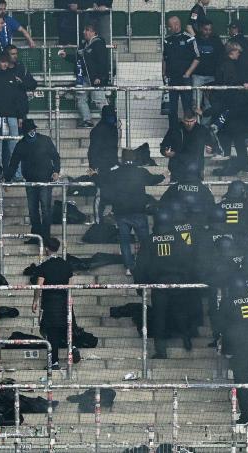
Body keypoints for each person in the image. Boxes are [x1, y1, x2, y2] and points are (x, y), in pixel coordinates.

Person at [134, 208, 196, 358]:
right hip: (178, 282)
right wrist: (187, 279)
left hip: (159, 284)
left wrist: (139, 284)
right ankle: (186, 337)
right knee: (181, 312)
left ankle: (161, 351)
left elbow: (141, 264)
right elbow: (188, 261)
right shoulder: (179, 239)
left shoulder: (149, 240)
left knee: (159, 318)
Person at [97, 148, 165, 274]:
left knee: (125, 241)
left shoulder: (115, 173)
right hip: (138, 211)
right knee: (144, 240)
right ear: (134, 158)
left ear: (122, 159)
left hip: (121, 212)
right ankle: (146, 263)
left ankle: (129, 266)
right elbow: (154, 180)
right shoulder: (140, 172)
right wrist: (164, 175)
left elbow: (103, 182)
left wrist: (93, 175)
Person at [6, 119, 61, 242]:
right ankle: (36, 235)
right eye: (30, 130)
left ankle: (45, 237)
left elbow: (55, 157)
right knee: (33, 210)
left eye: (33, 130)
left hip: (45, 180)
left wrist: (56, 171)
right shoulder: (21, 145)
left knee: (45, 209)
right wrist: (8, 179)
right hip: (30, 181)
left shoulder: (45, 140)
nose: (32, 132)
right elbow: (13, 163)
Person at [221, 275, 248, 424]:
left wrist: (226, 349)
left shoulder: (227, 302)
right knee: (247, 374)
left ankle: (247, 412)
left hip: (238, 345)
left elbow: (224, 327)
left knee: (241, 379)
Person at [211, 41, 248, 176]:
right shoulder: (228, 65)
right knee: (237, 138)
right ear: (232, 51)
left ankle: (237, 165)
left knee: (236, 138)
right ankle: (241, 165)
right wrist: (243, 86)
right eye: (238, 51)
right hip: (232, 108)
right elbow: (230, 83)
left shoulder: (225, 64)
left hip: (229, 108)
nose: (239, 54)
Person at [33, 237, 77, 369]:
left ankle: (55, 362)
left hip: (50, 303)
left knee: (52, 333)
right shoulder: (66, 265)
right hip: (64, 302)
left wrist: (35, 301)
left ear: (47, 248)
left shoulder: (44, 266)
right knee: (66, 329)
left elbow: (39, 286)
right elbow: (70, 285)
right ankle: (73, 347)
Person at [0, 53, 29, 176]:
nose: (5, 64)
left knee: (15, 148)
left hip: (12, 116)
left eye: (6, 62)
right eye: (2, 62)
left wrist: (20, 116)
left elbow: (18, 98)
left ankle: (16, 175)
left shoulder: (13, 76)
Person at [60, 23, 110, 129]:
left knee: (99, 100)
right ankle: (87, 120)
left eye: (87, 30)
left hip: (96, 78)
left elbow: (103, 62)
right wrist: (66, 56)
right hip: (83, 77)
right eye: (84, 30)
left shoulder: (99, 43)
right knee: (80, 98)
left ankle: (109, 120)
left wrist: (100, 77)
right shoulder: (84, 44)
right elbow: (78, 59)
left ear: (93, 32)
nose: (84, 32)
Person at [163, 16, 200, 129]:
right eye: (170, 25)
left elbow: (197, 57)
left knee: (187, 107)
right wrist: (164, 74)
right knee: (171, 109)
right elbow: (164, 59)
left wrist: (187, 73)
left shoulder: (189, 38)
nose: (172, 27)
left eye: (175, 23)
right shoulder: (167, 40)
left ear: (178, 24)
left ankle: (189, 131)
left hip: (185, 79)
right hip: (171, 79)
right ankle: (173, 132)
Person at [160, 109, 212, 181]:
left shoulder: (202, 130)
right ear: (183, 120)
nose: (189, 124)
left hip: (195, 169)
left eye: (191, 121)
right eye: (187, 121)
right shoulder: (175, 129)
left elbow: (212, 144)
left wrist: (211, 149)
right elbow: (164, 145)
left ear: (195, 120)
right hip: (177, 168)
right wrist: (165, 152)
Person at [88, 104, 119, 223]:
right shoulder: (97, 131)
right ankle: (98, 223)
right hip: (101, 169)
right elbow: (92, 152)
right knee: (100, 196)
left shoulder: (113, 129)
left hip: (113, 167)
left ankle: (112, 218)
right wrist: (93, 169)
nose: (112, 118)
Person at [192, 19, 223, 113]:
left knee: (209, 104)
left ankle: (206, 126)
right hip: (197, 75)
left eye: (210, 29)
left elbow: (221, 56)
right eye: (206, 29)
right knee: (195, 102)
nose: (208, 32)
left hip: (212, 76)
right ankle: (196, 124)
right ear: (201, 28)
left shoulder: (216, 40)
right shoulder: (194, 40)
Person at [5, 45, 38, 119]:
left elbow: (33, 84)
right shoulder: (1, 69)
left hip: (20, 110)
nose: (15, 56)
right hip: (5, 110)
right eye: (13, 54)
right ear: (6, 55)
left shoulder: (21, 68)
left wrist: (21, 82)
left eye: (16, 54)